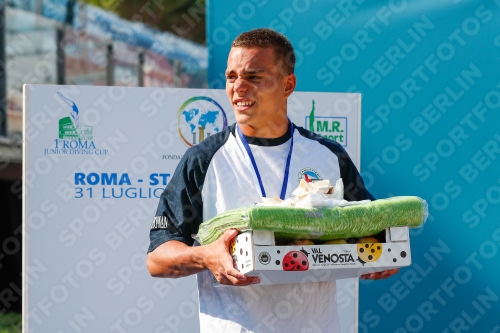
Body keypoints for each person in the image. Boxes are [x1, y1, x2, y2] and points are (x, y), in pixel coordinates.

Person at [147, 28, 398, 332]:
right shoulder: (203, 159)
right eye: (231, 76)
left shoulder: (329, 156)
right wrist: (205, 256)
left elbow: (372, 228)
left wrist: (382, 254)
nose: (239, 87)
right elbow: (157, 258)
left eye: (253, 77)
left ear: (287, 84)